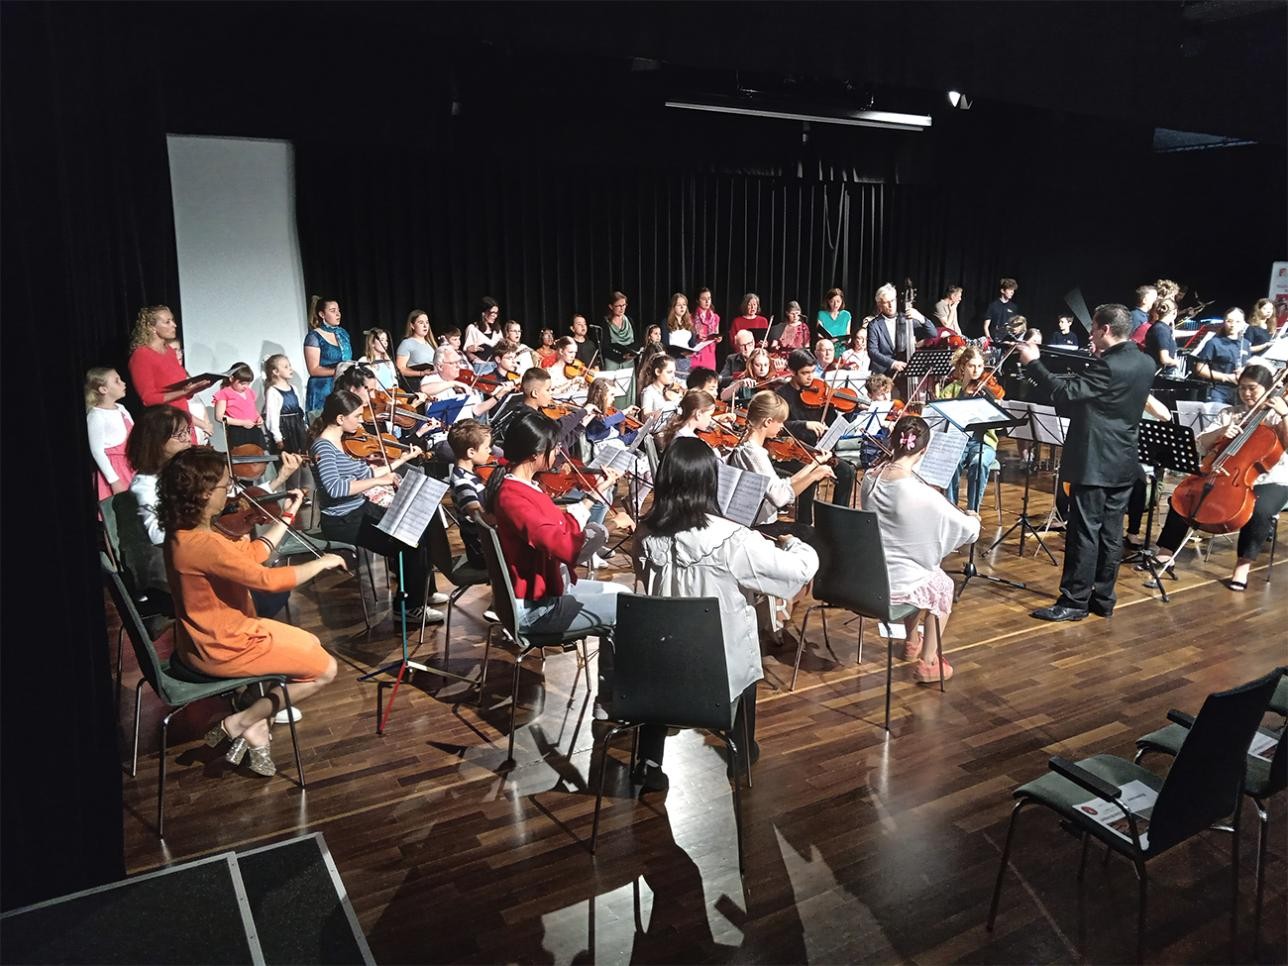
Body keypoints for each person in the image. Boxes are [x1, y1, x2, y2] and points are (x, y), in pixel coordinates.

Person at [632, 437, 819, 790]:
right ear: (709, 482)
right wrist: (796, 543)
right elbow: (796, 572)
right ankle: (741, 752)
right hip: (721, 664)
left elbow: (644, 578)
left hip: (661, 660)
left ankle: (648, 761)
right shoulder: (731, 538)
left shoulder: (645, 532)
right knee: (743, 653)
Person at [157, 447, 345, 776]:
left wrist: (287, 516)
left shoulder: (187, 534)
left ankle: (254, 725)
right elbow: (267, 581)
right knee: (326, 669)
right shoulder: (205, 545)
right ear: (203, 493)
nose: (231, 493)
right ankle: (242, 720)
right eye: (225, 487)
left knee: (312, 646)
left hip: (215, 636)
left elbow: (253, 556)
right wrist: (321, 563)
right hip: (223, 646)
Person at [1016, 303, 1157, 621]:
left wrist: (1035, 364)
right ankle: (1103, 598)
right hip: (1123, 460)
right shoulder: (1145, 362)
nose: (1091, 333)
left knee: (1083, 531)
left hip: (1095, 460)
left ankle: (1074, 601)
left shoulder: (1108, 366)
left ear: (1105, 329)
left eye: (1093, 328)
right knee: (1111, 532)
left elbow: (1066, 394)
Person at [482, 409, 624, 641]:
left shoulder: (525, 487)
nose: (559, 453)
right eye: (555, 448)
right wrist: (611, 525)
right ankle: (619, 677)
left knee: (623, 594)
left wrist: (595, 494)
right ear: (535, 454)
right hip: (536, 610)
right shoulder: (513, 498)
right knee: (626, 608)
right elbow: (565, 547)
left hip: (546, 594)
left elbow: (558, 525)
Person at [858, 415, 979, 684]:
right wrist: (974, 518)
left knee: (921, 569)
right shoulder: (919, 492)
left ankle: (911, 641)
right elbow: (967, 530)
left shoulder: (869, 478)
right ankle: (928, 662)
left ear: (893, 442)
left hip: (867, 576)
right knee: (940, 583)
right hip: (895, 584)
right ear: (923, 451)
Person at [1145, 364, 1288, 591]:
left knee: (1259, 510)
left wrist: (1284, 413)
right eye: (1242, 389)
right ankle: (1165, 553)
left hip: (1272, 479)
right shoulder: (1230, 413)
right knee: (1183, 495)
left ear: (1269, 389)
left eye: (1253, 389)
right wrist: (1220, 432)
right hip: (1226, 473)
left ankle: (1243, 565)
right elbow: (1199, 444)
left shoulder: (1276, 416)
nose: (1246, 394)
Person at [309, 391, 444, 623]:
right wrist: (377, 482)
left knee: (416, 530)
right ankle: (408, 608)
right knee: (408, 544)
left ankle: (422, 594)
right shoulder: (323, 448)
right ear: (341, 419)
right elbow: (335, 489)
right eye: (357, 416)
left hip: (359, 509)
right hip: (342, 520)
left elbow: (368, 472)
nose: (362, 421)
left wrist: (400, 461)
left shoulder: (340, 442)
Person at [729, 391, 835, 528]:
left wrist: (814, 464)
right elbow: (779, 497)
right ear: (767, 421)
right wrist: (814, 476)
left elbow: (781, 485)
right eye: (780, 422)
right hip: (758, 526)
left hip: (758, 522)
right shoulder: (754, 454)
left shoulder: (747, 447)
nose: (782, 427)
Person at [773, 349, 857, 521]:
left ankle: (837, 518)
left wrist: (851, 410)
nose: (810, 377)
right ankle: (804, 523)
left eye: (812, 372)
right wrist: (805, 424)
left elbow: (833, 422)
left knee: (846, 471)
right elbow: (778, 427)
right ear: (793, 372)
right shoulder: (782, 395)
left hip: (818, 451)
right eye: (805, 373)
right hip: (793, 453)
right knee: (809, 477)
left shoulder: (819, 393)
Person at [127, 304, 215, 440]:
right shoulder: (142, 355)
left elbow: (178, 387)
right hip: (164, 423)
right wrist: (184, 391)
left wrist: (195, 388)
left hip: (184, 419)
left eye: (173, 320)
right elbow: (148, 398)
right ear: (152, 327)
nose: (174, 325)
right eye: (167, 322)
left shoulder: (169, 352)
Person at [935, 346, 998, 514]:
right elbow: (941, 420)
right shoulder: (951, 390)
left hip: (983, 443)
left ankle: (973, 512)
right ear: (963, 366)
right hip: (956, 442)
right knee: (950, 463)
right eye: (972, 366)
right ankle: (951, 511)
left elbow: (998, 424)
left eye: (979, 366)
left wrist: (991, 407)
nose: (976, 370)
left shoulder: (987, 391)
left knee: (979, 462)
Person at [447, 419, 493, 569]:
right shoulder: (462, 482)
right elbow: (478, 515)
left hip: (485, 544)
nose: (490, 451)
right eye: (486, 448)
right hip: (482, 551)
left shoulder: (468, 475)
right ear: (471, 452)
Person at [86, 367, 134, 500]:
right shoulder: (96, 416)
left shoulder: (122, 408)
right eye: (117, 381)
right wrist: (114, 480)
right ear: (103, 389)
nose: (123, 383)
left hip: (130, 464)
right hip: (115, 470)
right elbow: (97, 451)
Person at [302, 296, 352, 417]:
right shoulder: (314, 336)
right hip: (323, 388)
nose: (338, 314)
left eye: (338, 310)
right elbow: (313, 369)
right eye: (332, 310)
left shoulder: (343, 334)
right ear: (322, 314)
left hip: (342, 385)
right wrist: (339, 370)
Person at [1192, 309, 1252, 405]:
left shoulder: (1246, 344)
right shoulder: (1214, 343)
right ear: (1224, 322)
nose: (1233, 325)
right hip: (1218, 390)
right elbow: (1200, 369)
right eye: (1229, 321)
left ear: (1243, 323)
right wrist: (1227, 377)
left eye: (1238, 321)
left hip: (1240, 391)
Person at [865, 283, 916, 376]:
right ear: (879, 305)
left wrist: (921, 318)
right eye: (886, 302)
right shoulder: (874, 325)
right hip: (881, 373)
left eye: (892, 300)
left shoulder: (906, 320)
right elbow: (872, 351)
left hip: (903, 371)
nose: (890, 305)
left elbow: (931, 332)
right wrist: (893, 363)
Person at [262, 354, 309, 455]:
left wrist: (303, 426)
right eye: (286, 367)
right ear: (275, 371)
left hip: (297, 427)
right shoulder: (273, 391)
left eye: (290, 365)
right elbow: (272, 417)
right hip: (285, 430)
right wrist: (277, 437)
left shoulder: (294, 388)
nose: (290, 369)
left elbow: (299, 409)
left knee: (302, 457)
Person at [213, 362, 264, 449]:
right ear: (231, 378)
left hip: (254, 429)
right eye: (242, 383)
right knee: (242, 456)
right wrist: (242, 423)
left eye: (248, 383)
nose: (245, 386)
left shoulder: (249, 391)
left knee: (259, 455)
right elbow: (219, 416)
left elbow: (252, 409)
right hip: (237, 431)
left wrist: (259, 418)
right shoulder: (224, 393)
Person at [601, 292, 637, 399]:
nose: (622, 308)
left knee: (628, 391)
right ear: (611, 306)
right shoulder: (605, 322)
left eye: (624, 305)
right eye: (618, 306)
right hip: (613, 361)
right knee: (614, 392)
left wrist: (633, 352)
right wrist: (621, 357)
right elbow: (605, 347)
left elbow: (636, 341)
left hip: (629, 360)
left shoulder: (629, 320)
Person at [395, 309, 438, 388]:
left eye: (427, 322)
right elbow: (400, 369)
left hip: (434, 382)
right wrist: (421, 373)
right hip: (418, 384)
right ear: (412, 325)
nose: (425, 326)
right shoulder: (407, 343)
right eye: (421, 322)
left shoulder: (431, 344)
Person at [638, 352, 683, 417]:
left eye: (674, 372)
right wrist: (660, 412)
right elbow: (645, 416)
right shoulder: (649, 391)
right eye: (669, 372)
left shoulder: (674, 389)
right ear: (658, 372)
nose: (673, 376)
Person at [1143, 298, 1180, 375]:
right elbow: (1164, 359)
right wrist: (1176, 362)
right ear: (1174, 312)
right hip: (1160, 374)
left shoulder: (1159, 327)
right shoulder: (1161, 330)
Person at [464, 297, 502, 366]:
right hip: (481, 368)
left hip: (497, 367)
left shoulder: (497, 329)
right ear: (483, 313)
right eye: (492, 312)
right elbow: (467, 351)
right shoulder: (472, 329)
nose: (495, 316)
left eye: (496, 313)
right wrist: (475, 358)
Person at [690, 287, 720, 371]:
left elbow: (716, 334)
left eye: (709, 298)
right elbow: (687, 338)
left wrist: (718, 338)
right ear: (697, 300)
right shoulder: (691, 317)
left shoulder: (715, 317)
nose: (707, 302)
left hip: (710, 354)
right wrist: (696, 337)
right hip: (696, 353)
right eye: (703, 299)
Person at [663, 292, 694, 374]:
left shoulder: (689, 323)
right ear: (673, 307)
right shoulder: (666, 322)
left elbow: (692, 344)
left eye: (684, 304)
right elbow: (665, 344)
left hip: (686, 361)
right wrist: (679, 352)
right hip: (673, 360)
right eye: (679, 305)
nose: (682, 307)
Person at [982, 278, 1019, 342]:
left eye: (1013, 290)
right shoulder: (993, 305)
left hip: (1008, 341)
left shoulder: (1013, 307)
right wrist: (989, 339)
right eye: (1010, 289)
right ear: (1002, 290)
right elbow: (986, 326)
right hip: (994, 340)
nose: (1012, 292)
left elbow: (1015, 325)